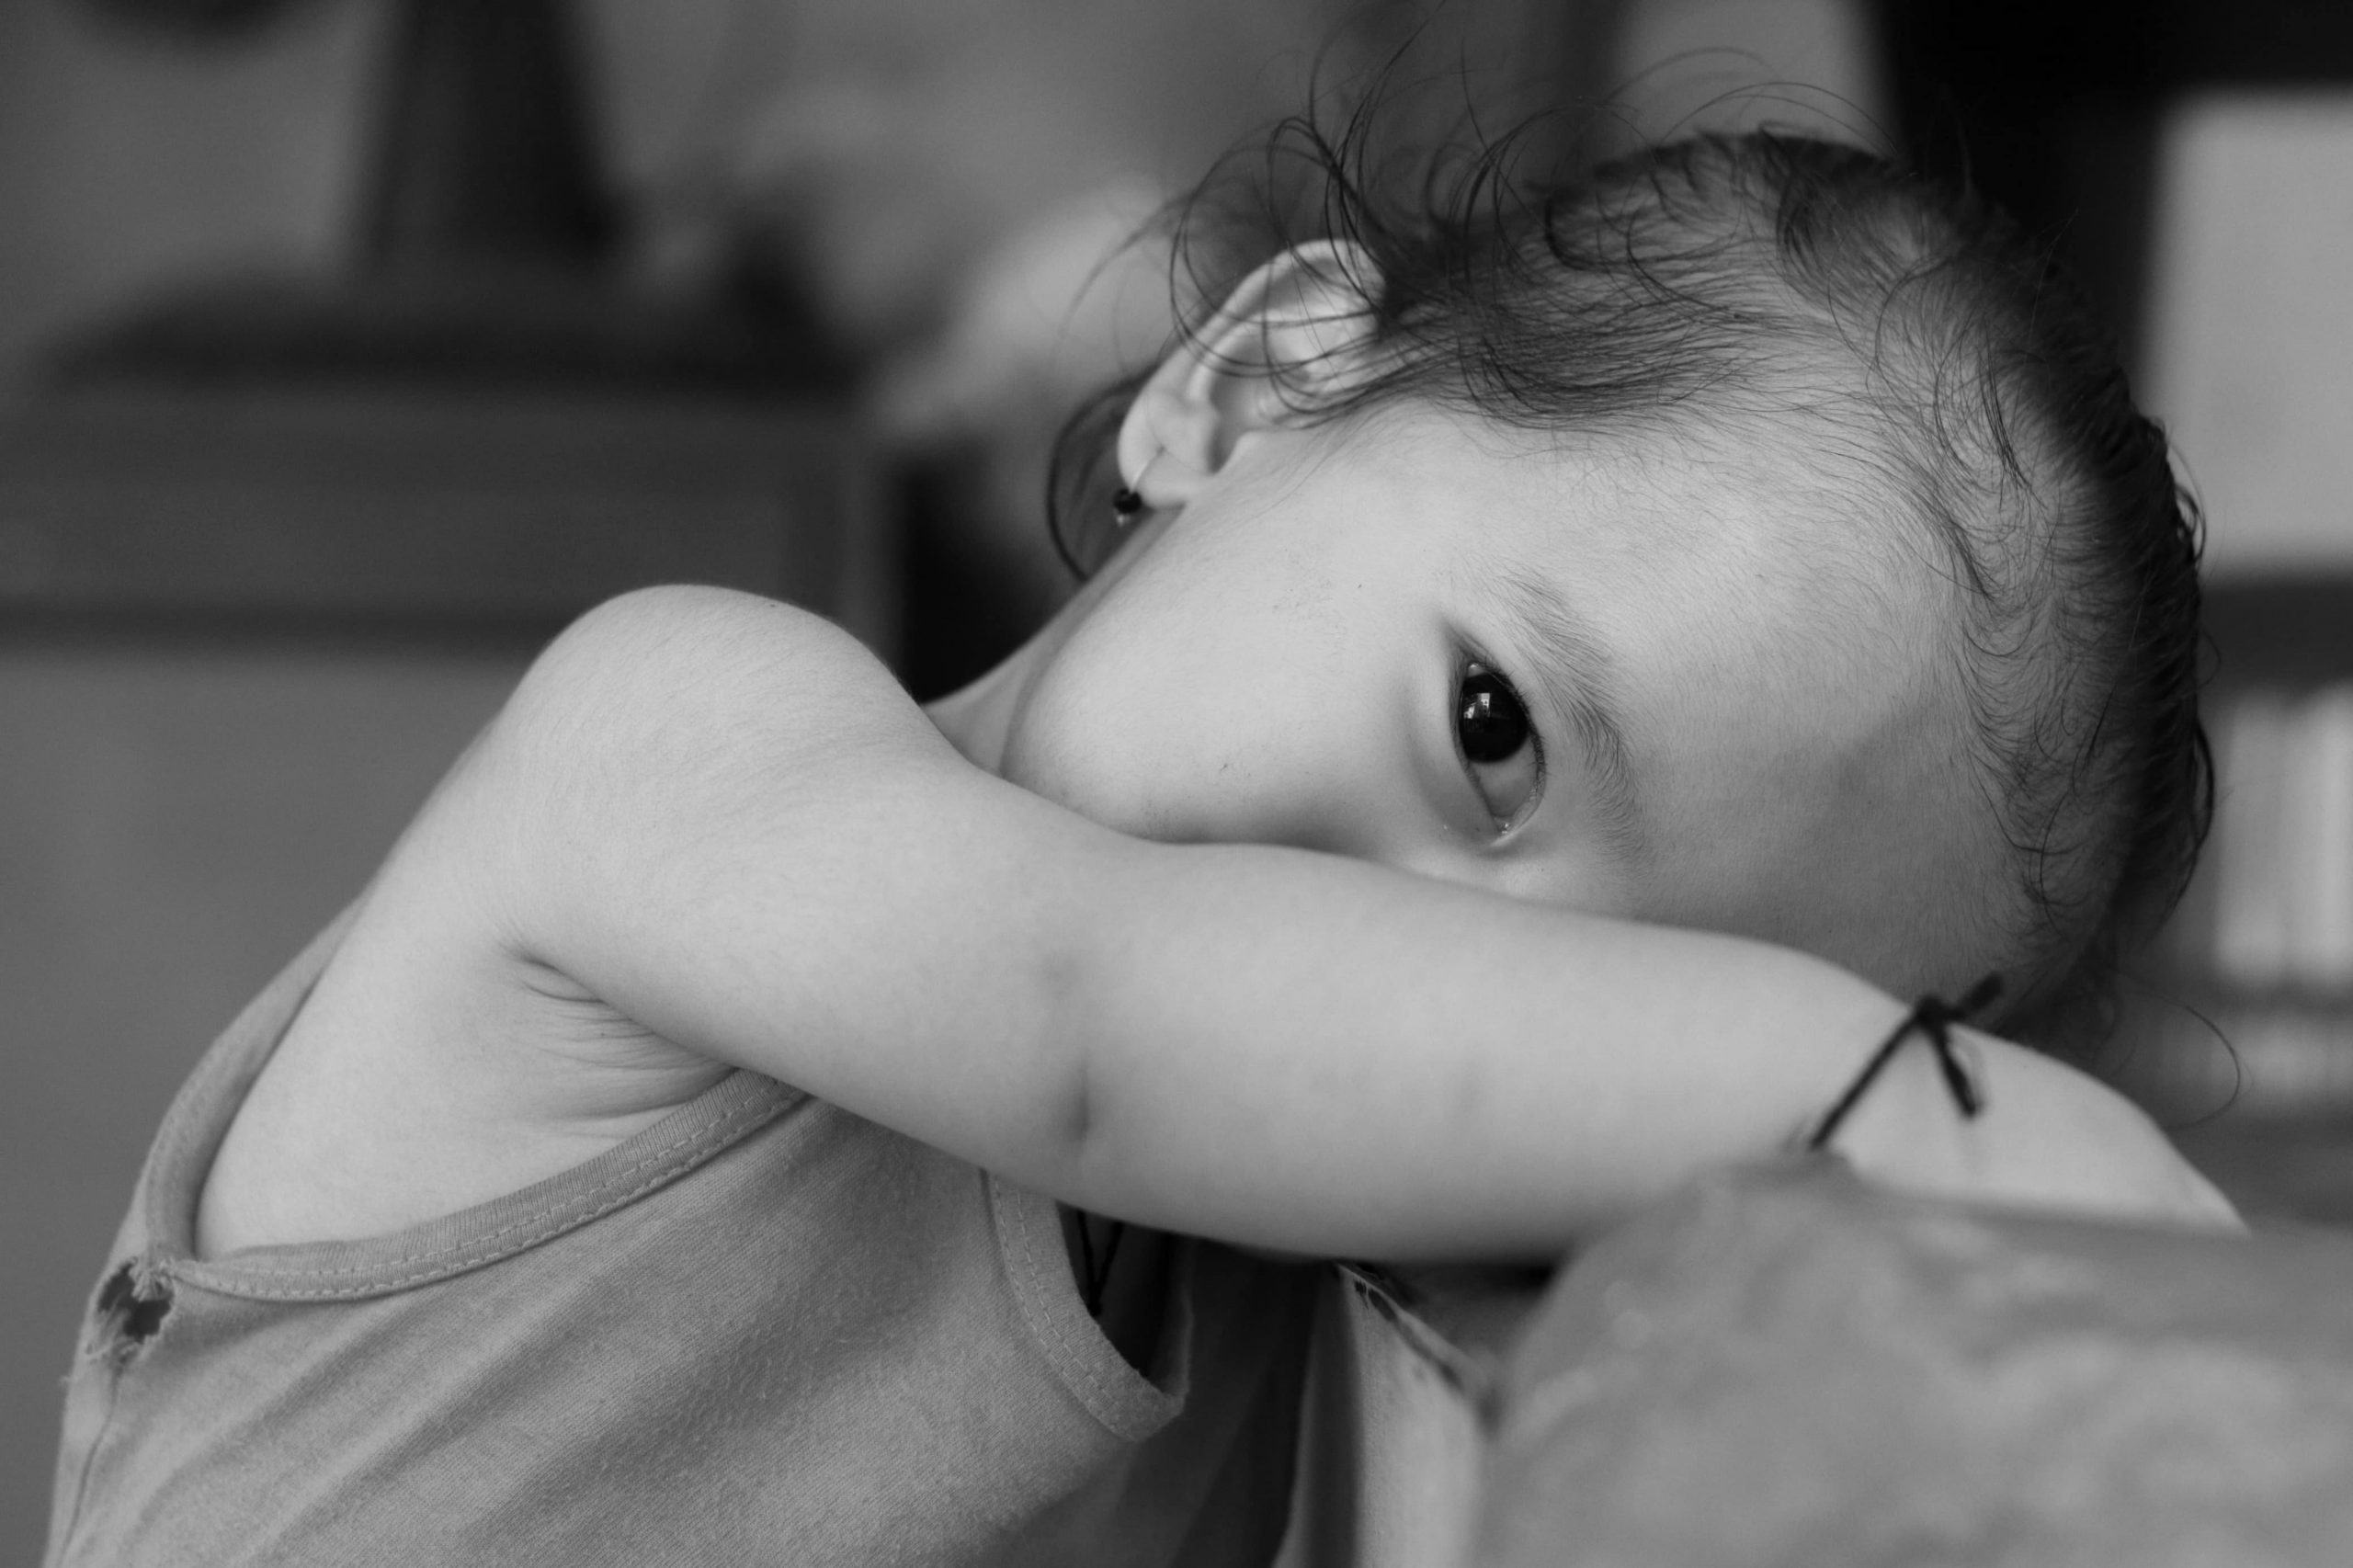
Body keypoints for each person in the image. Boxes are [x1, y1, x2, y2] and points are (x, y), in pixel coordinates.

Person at [46, 126, 2233, 1568]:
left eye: (1607, 1020)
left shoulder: (1289, 1313)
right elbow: (1088, 1015)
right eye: (1488, 732)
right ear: (1253, 384)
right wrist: (1919, 1115)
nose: (1452, 1010)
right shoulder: (677, 737)